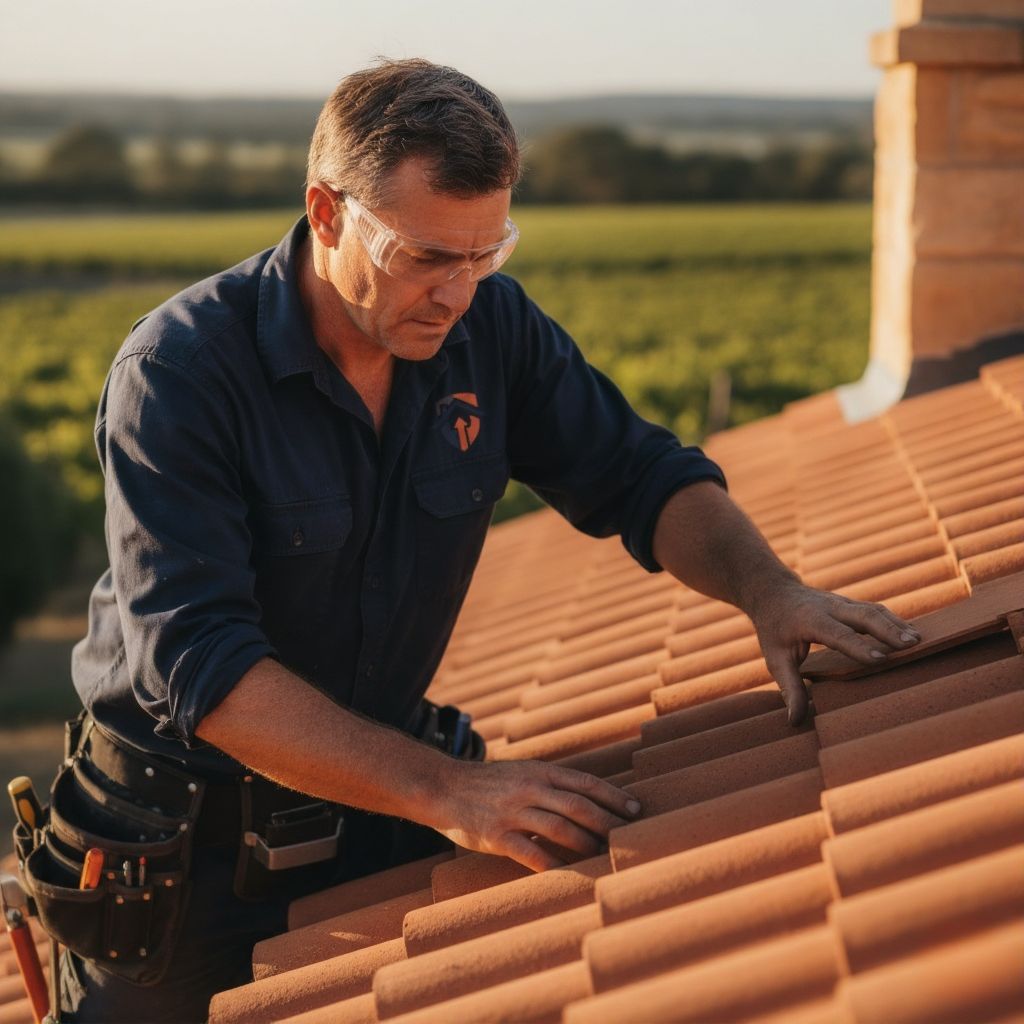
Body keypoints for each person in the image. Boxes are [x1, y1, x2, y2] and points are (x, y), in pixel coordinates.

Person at [32, 59, 920, 1022]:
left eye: (485, 253)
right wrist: (451, 791)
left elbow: (640, 475)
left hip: (379, 806)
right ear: (327, 214)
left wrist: (770, 591)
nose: (457, 293)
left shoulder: (491, 327)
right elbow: (201, 669)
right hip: (180, 861)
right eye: (426, 257)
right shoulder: (180, 374)